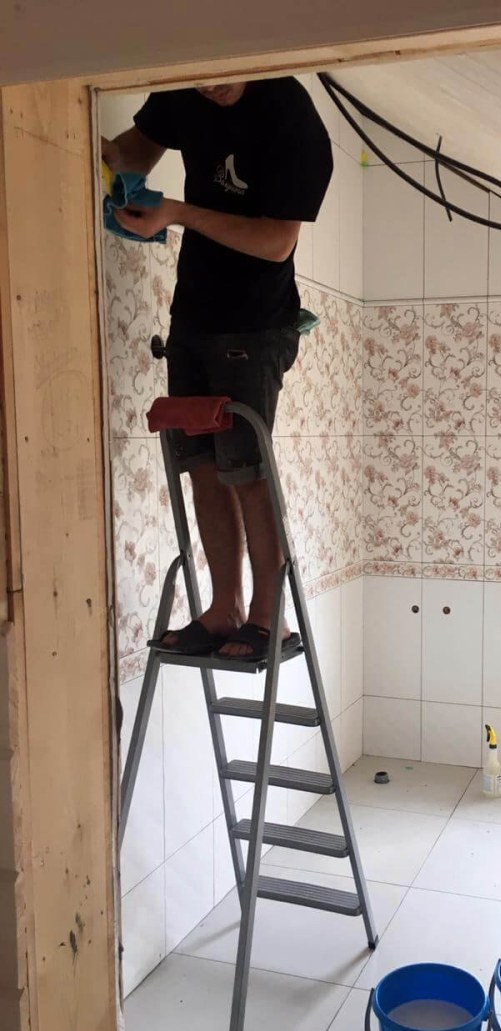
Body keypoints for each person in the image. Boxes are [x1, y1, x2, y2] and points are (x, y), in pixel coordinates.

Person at [103, 79, 333, 661]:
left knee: (246, 469)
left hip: (256, 322)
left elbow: (277, 242)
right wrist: (88, 149)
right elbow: (133, 150)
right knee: (203, 467)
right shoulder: (186, 92)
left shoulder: (290, 114)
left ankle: (267, 617)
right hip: (194, 318)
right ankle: (224, 608)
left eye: (222, 75)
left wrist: (177, 213)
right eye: (201, 77)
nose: (211, 86)